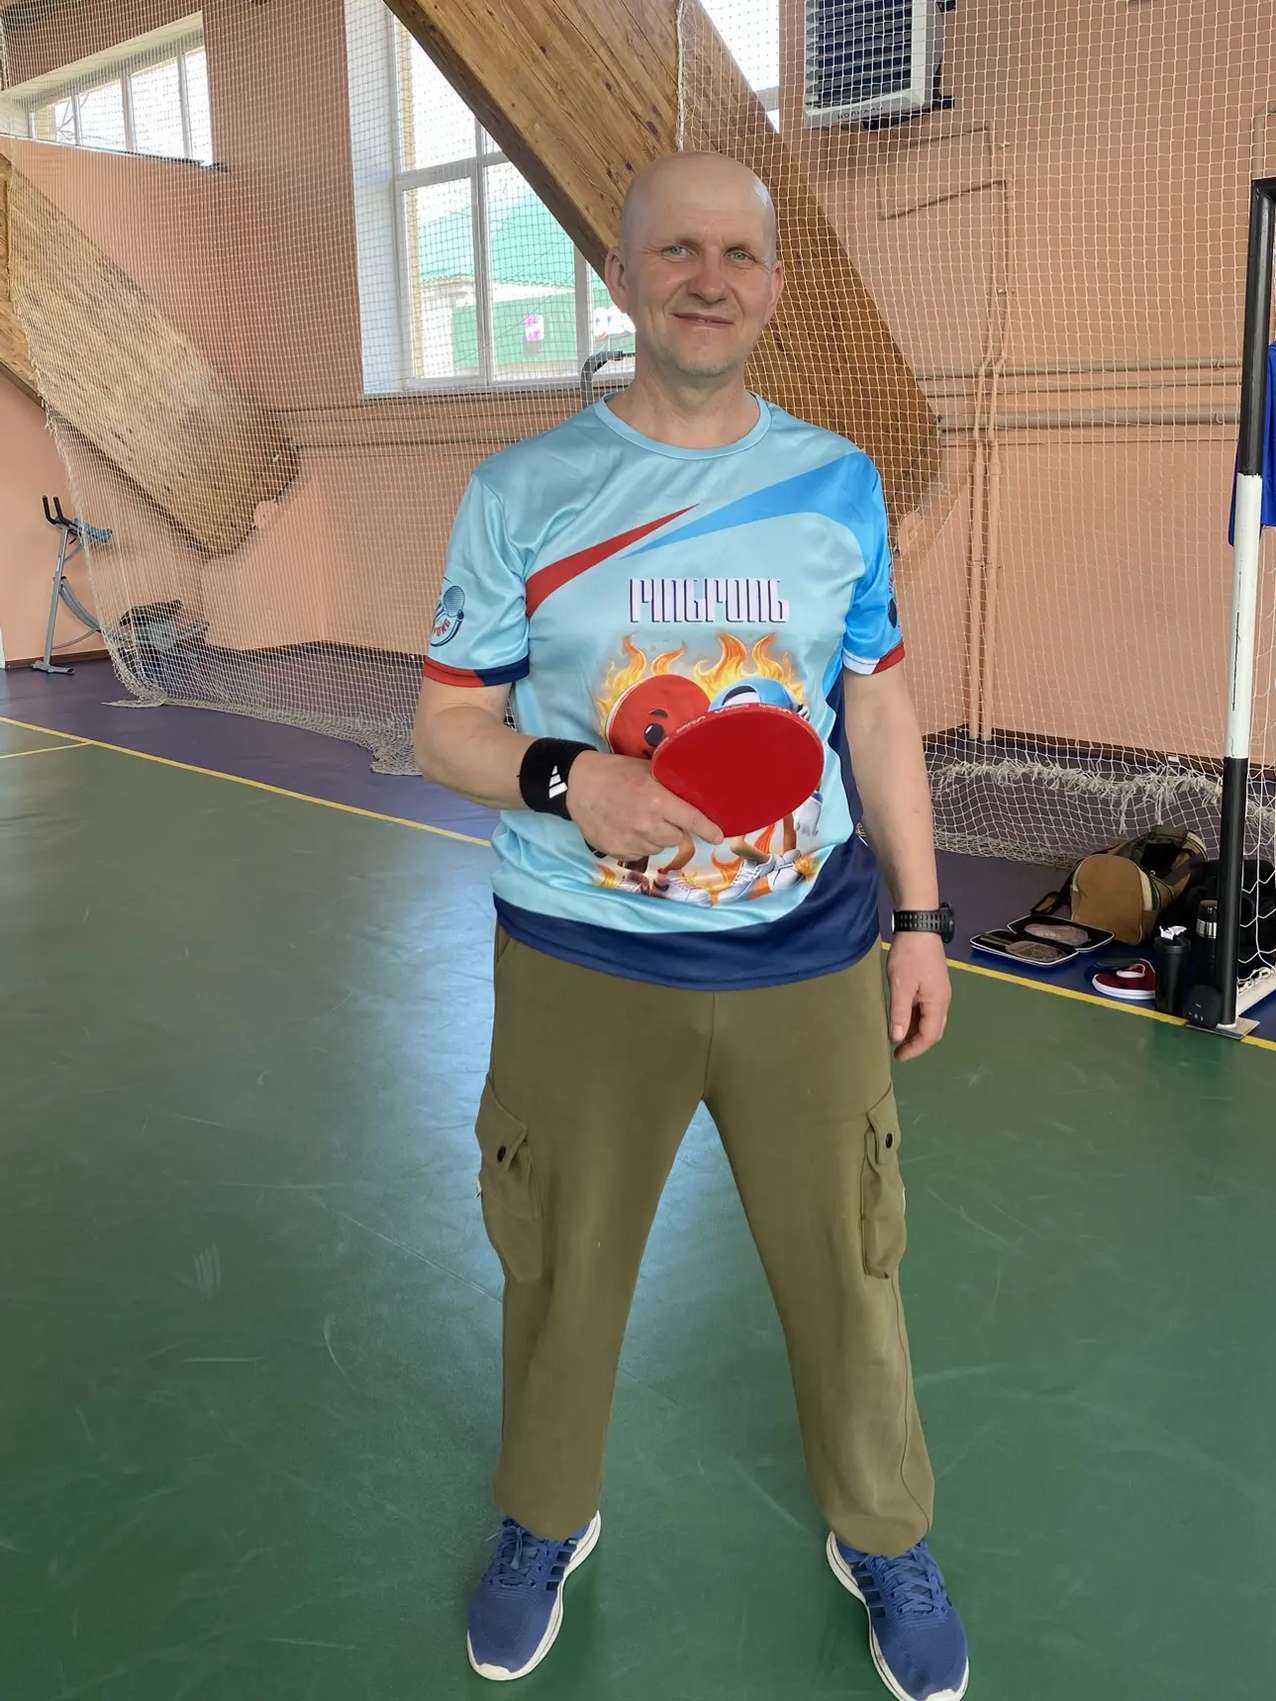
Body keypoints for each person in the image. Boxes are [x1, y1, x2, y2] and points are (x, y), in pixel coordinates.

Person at [414, 151, 968, 1701]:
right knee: (560, 1263)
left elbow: (879, 705)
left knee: (850, 1263)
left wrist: (922, 919)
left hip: (807, 956)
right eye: (676, 251)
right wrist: (568, 775)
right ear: (622, 276)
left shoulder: (838, 482)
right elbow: (445, 725)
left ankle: (884, 1531)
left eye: (738, 253)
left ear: (773, 287)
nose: (707, 278)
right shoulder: (521, 493)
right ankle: (544, 1515)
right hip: (581, 956)